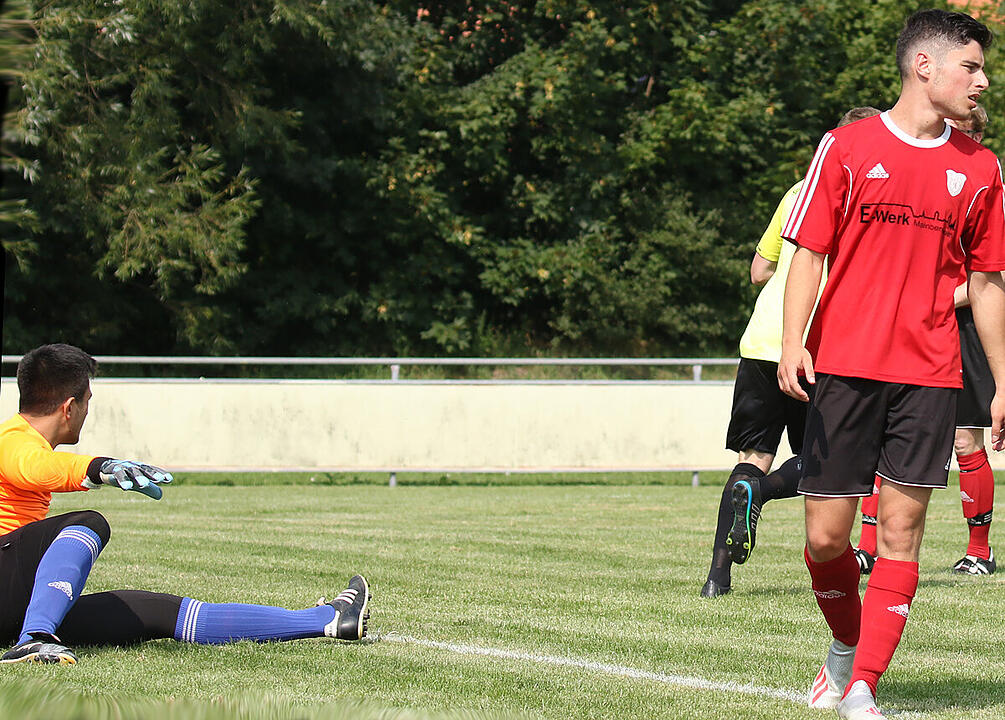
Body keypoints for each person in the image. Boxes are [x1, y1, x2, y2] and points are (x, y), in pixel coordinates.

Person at [777, 10, 1005, 720]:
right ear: (923, 66)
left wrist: (1001, 383)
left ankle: (861, 689)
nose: (982, 81)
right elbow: (807, 250)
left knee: (902, 536)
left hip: (931, 374)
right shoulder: (845, 146)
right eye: (970, 67)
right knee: (825, 539)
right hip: (843, 365)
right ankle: (845, 647)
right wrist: (793, 342)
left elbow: (990, 280)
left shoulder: (981, 167)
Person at [0, 343, 371, 665]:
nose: (87, 411)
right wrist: (100, 468)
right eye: (87, 402)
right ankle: (36, 638)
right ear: (69, 407)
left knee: (159, 612)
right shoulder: (13, 440)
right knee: (88, 523)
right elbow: (36, 468)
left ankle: (326, 620)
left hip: (12, 605)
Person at [701, 107, 881, 599]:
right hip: (818, 347)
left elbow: (759, 269)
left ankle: (718, 577)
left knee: (752, 455)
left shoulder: (797, 192)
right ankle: (761, 495)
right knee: (823, 463)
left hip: (762, 339)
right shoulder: (871, 195)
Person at [855, 105, 996, 577]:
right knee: (883, 428)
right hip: (913, 321)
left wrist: (934, 297)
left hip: (964, 322)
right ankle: (868, 545)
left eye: (965, 128)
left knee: (963, 438)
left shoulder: (985, 176)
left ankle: (980, 550)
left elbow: (989, 273)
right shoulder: (918, 165)